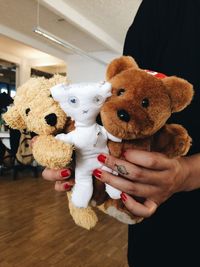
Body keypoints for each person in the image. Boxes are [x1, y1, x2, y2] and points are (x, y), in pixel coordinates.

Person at [42, 0, 200, 266]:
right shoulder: (161, 8)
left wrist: (188, 173)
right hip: (155, 223)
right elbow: (125, 101)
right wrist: (75, 147)